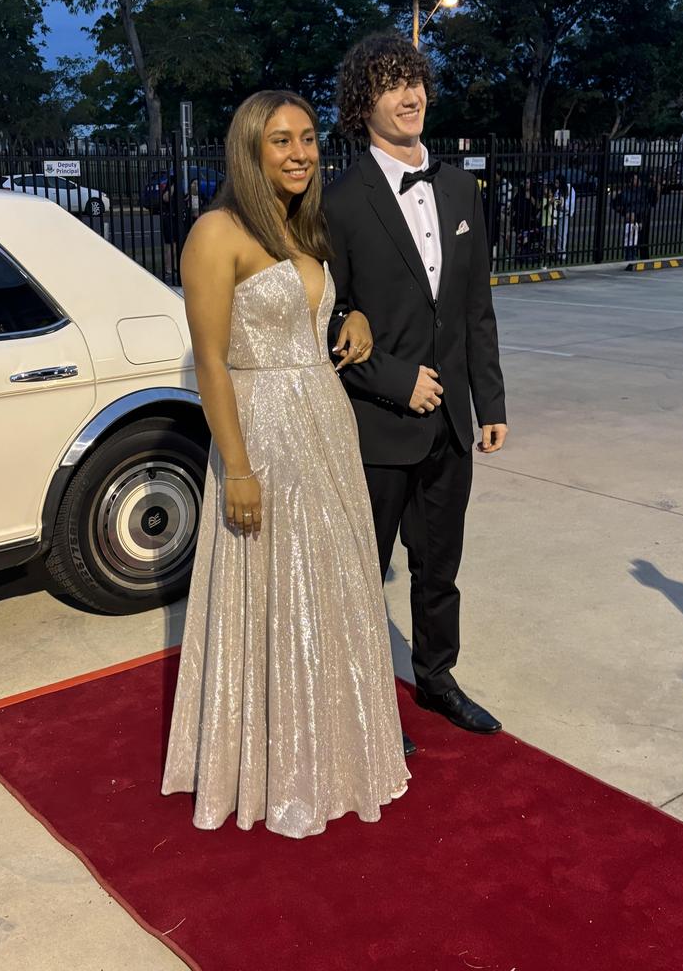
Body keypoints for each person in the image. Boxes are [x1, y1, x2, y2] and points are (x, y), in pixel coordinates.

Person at [161, 90, 410, 839]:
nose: (300, 153)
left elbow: (315, 312)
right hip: (262, 433)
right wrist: (236, 468)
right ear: (249, 148)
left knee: (331, 588)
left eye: (306, 138)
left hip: (326, 426)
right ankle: (274, 764)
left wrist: (353, 318)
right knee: (274, 593)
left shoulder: (305, 227)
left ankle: (336, 749)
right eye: (280, 141)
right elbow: (210, 361)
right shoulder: (216, 232)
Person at [324, 32, 507, 747]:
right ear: (361, 104)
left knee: (440, 571)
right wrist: (397, 381)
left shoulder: (461, 187)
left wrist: (488, 405)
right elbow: (327, 317)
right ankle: (365, 704)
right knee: (364, 578)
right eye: (390, 85)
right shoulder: (339, 202)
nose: (410, 96)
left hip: (452, 428)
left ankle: (437, 681)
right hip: (376, 426)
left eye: (415, 81)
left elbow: (474, 308)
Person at [553, 174, 575, 263]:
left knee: (562, 234)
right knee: (555, 234)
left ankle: (562, 254)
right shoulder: (557, 190)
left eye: (557, 182)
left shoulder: (569, 189)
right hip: (556, 214)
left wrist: (562, 205)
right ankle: (557, 252)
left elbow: (571, 203)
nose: (555, 184)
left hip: (564, 213)